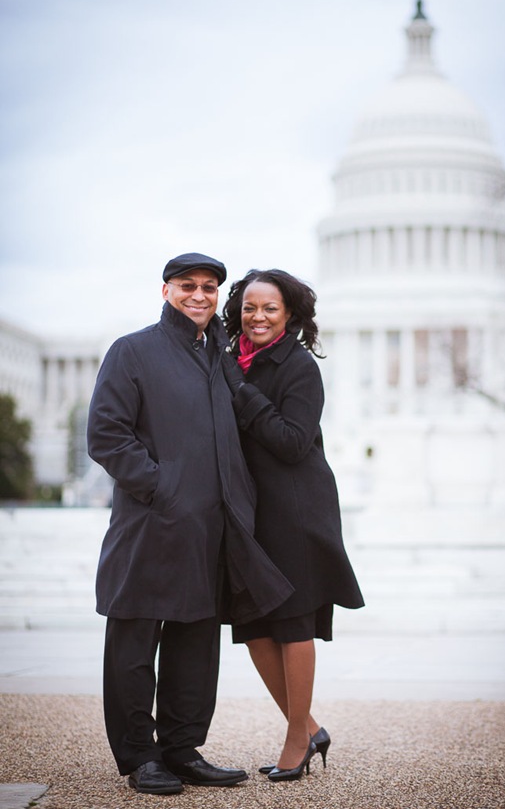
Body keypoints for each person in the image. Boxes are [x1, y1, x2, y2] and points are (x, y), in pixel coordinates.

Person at [87, 253, 293, 796]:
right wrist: (163, 489)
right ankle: (140, 757)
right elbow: (107, 435)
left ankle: (181, 750)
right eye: (187, 286)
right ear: (166, 291)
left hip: (210, 529)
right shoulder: (132, 351)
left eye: (208, 287)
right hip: (151, 524)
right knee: (134, 643)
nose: (198, 295)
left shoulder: (220, 360)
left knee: (195, 646)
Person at [221, 268, 365, 783]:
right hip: (249, 510)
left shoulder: (299, 367)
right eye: (250, 307)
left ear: (289, 315)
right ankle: (309, 727)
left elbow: (291, 441)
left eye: (270, 308)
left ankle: (296, 738)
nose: (257, 317)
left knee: (292, 621)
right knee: (254, 626)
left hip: (297, 508)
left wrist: (241, 390)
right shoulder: (227, 359)